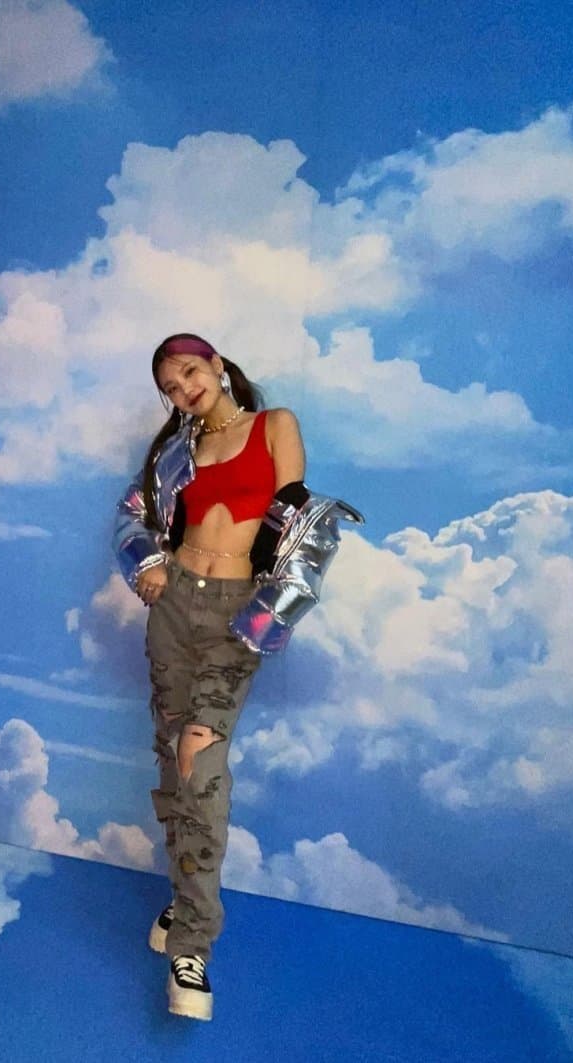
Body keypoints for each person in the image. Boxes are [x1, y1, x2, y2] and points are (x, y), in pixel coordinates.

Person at [112, 333, 362, 1022]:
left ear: (217, 366)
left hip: (236, 614)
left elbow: (297, 530)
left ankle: (192, 942)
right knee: (172, 762)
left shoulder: (275, 425)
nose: (184, 389)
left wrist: (268, 618)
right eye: (170, 387)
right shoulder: (175, 451)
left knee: (200, 765)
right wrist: (146, 563)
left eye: (191, 372)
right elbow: (134, 518)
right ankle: (184, 892)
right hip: (175, 608)